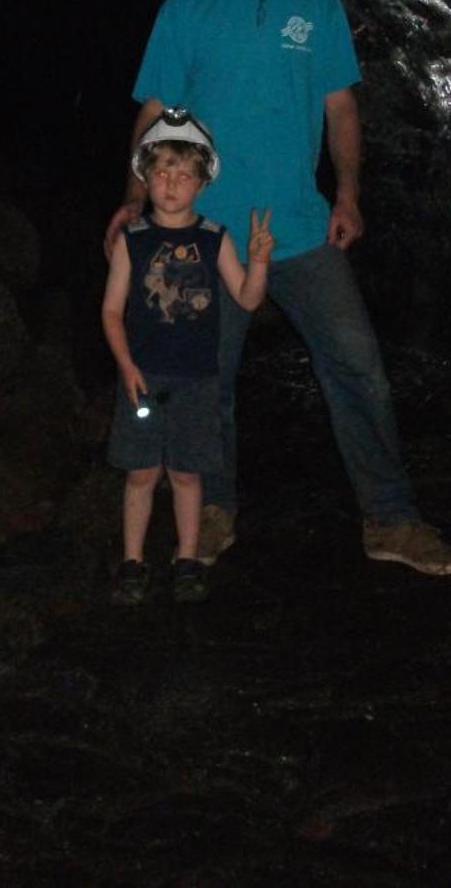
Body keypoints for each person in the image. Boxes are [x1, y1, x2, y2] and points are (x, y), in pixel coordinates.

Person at [103, 0, 451, 576]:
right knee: (206, 381)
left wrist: (351, 193)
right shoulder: (188, 5)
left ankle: (390, 520)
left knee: (359, 366)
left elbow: (341, 109)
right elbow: (155, 113)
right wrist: (134, 196)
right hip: (205, 234)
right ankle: (214, 511)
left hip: (298, 226)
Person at [102, 109, 273, 605]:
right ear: (146, 177)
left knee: (187, 473)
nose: (171, 183)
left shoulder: (214, 237)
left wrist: (258, 261)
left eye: (183, 173)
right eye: (161, 172)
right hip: (143, 376)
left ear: (202, 181)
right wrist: (126, 366)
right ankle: (133, 561)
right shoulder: (132, 242)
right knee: (140, 472)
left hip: (197, 378)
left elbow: (247, 297)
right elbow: (111, 311)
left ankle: (188, 558)